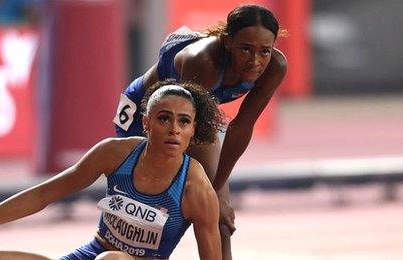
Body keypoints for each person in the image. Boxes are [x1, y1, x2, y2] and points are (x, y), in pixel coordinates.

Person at [0, 81, 225, 260]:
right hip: (90, 254)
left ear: (193, 130)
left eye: (184, 122)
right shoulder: (114, 154)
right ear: (147, 123)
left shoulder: (195, 189)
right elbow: (44, 194)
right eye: (164, 119)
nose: (174, 129)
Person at [112, 4, 287, 259]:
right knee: (146, 207)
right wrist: (217, 192)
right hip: (144, 116)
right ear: (227, 42)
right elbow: (194, 131)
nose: (255, 61)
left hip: (190, 119)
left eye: (264, 51)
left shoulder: (275, 67)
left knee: (214, 208)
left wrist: (218, 189)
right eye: (246, 49)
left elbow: (241, 126)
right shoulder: (205, 61)